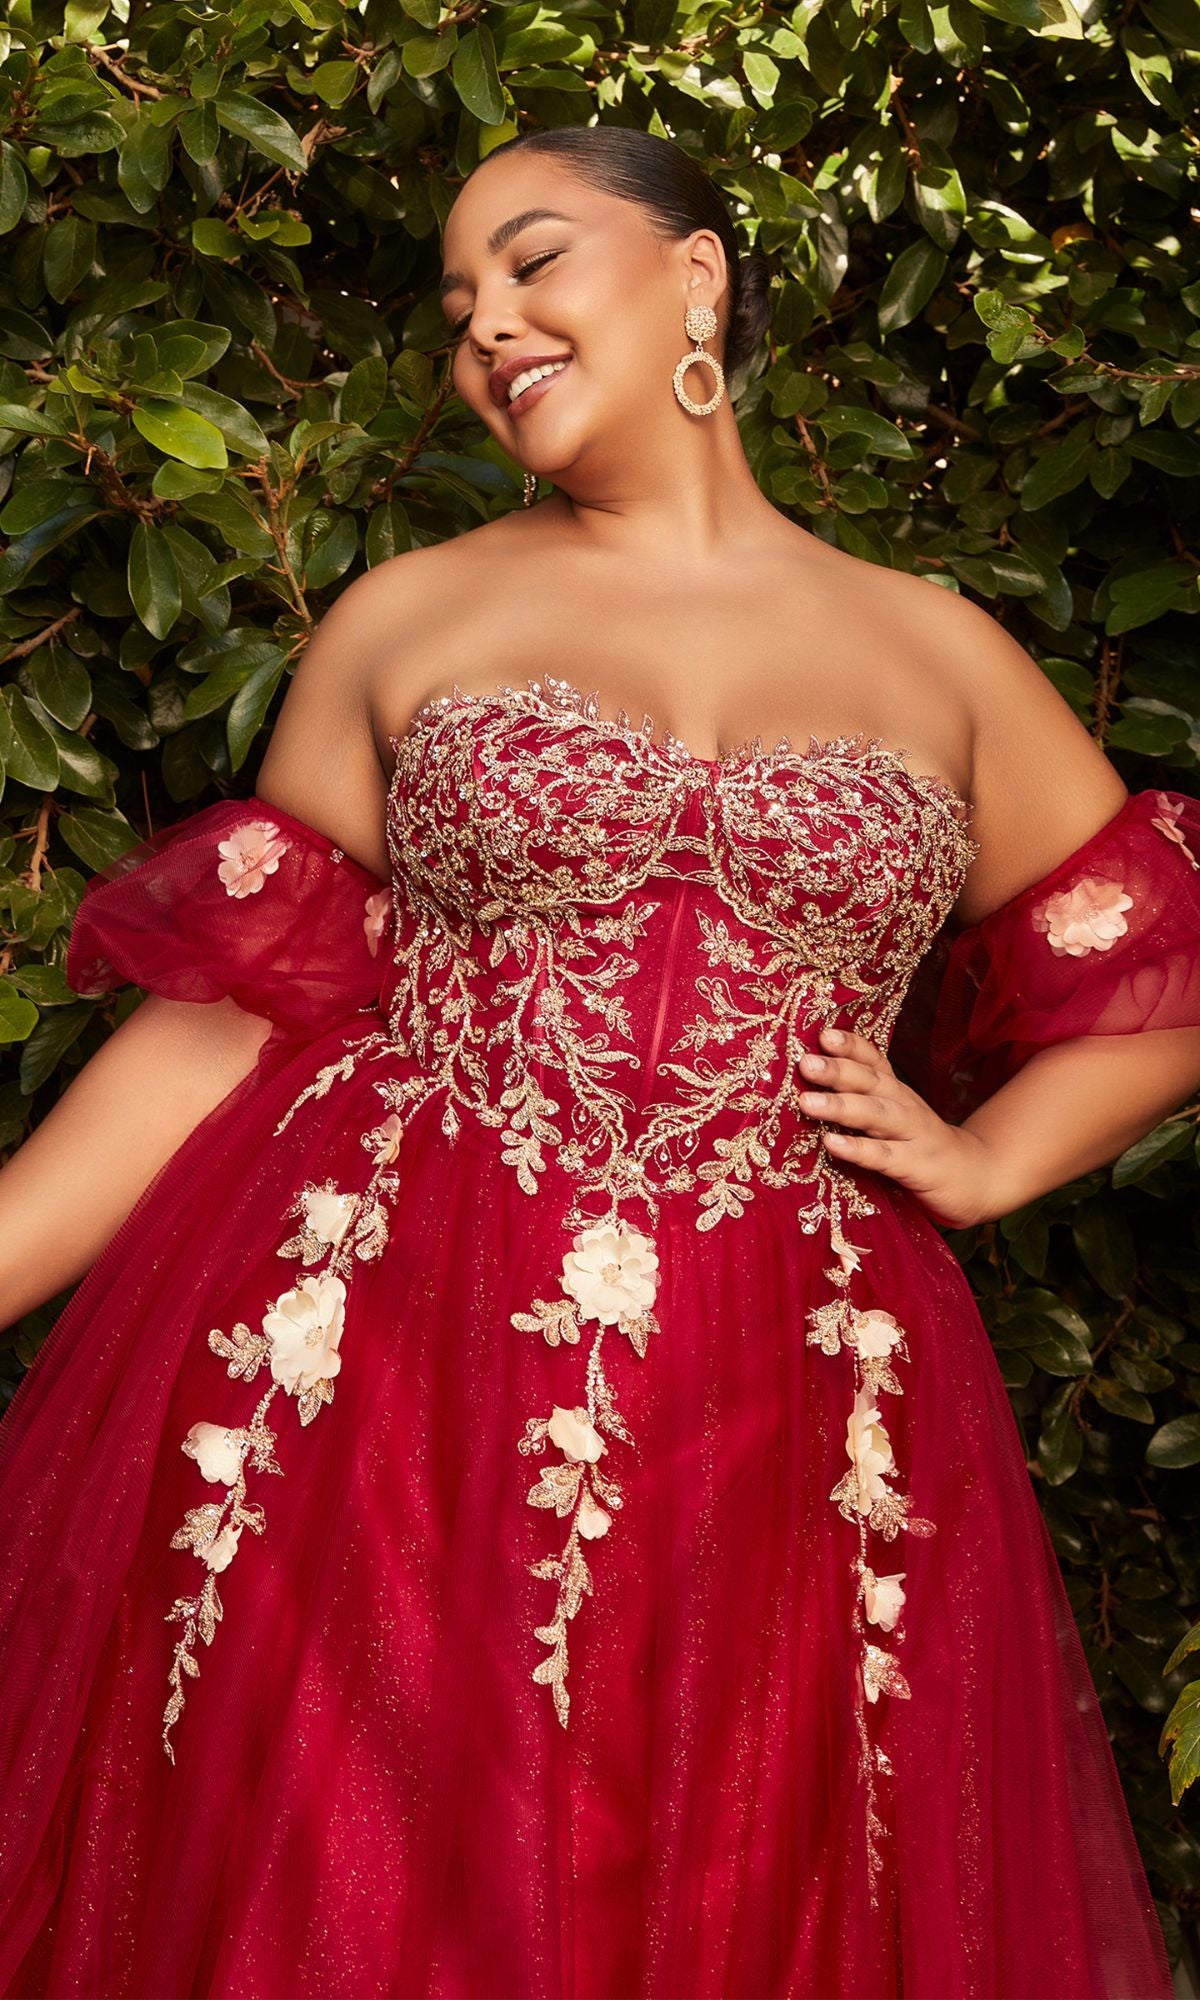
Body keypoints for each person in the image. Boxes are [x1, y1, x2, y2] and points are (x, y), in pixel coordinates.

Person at [0, 122, 1194, 2000]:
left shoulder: (939, 652)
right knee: (367, 1901)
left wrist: (989, 1161)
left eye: (534, 261)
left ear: (698, 274)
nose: (490, 324)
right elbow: (233, 1018)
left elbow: (1157, 959)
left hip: (794, 1404)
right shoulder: (412, 619)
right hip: (396, 1383)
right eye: (462, 302)